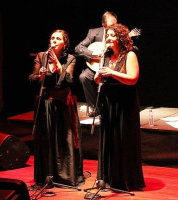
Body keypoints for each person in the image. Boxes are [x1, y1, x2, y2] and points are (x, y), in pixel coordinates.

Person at [94, 23, 146, 191]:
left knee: (123, 139)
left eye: (112, 35)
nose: (108, 38)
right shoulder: (105, 56)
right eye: (107, 35)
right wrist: (99, 74)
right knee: (109, 139)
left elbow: (133, 79)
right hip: (109, 102)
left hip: (125, 103)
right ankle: (108, 178)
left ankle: (125, 179)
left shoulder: (129, 55)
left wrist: (112, 73)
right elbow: (97, 80)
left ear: (120, 38)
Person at [29, 30, 84, 187]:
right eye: (52, 38)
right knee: (45, 139)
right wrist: (40, 75)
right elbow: (32, 79)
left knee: (64, 139)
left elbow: (69, 79)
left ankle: (65, 177)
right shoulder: (41, 56)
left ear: (64, 44)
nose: (54, 40)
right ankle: (46, 175)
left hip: (62, 103)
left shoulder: (70, 58)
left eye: (58, 38)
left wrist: (59, 66)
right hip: (45, 103)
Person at [75, 11, 118, 117]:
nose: (115, 27)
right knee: (84, 77)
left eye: (116, 24)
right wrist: (93, 53)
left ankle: (113, 107)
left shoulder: (119, 33)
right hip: (96, 65)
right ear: (104, 25)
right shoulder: (93, 33)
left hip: (113, 65)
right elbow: (78, 48)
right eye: (112, 26)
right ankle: (94, 107)